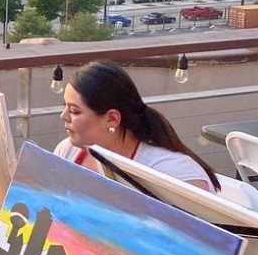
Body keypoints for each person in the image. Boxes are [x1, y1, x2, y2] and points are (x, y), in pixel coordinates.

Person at [56, 60, 220, 191]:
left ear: (112, 119)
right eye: (65, 107)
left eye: (74, 111)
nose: (63, 116)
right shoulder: (68, 150)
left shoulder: (174, 174)